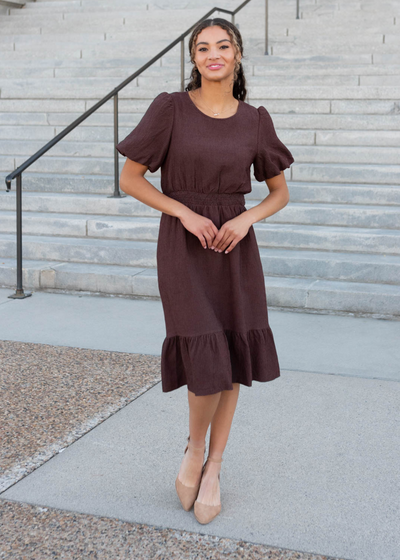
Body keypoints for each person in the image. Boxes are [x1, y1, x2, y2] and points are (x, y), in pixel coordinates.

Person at [116, 17, 294, 525]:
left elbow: (279, 192)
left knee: (233, 352)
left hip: (234, 247)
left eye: (222, 45)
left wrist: (245, 218)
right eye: (202, 48)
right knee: (204, 354)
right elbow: (131, 179)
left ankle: (215, 465)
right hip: (184, 244)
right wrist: (183, 211)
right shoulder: (170, 108)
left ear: (237, 54)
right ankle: (194, 448)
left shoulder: (256, 120)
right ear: (193, 58)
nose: (212, 54)